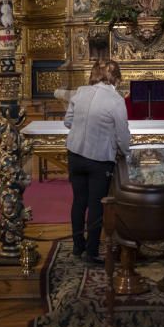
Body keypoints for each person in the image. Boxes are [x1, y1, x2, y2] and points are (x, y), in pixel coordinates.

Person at [64, 60, 132, 264]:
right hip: (99, 158)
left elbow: (68, 121)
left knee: (78, 201)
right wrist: (126, 152)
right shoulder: (116, 100)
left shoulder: (80, 92)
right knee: (96, 205)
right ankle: (92, 252)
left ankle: (78, 246)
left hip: (75, 154)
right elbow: (122, 134)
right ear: (116, 78)